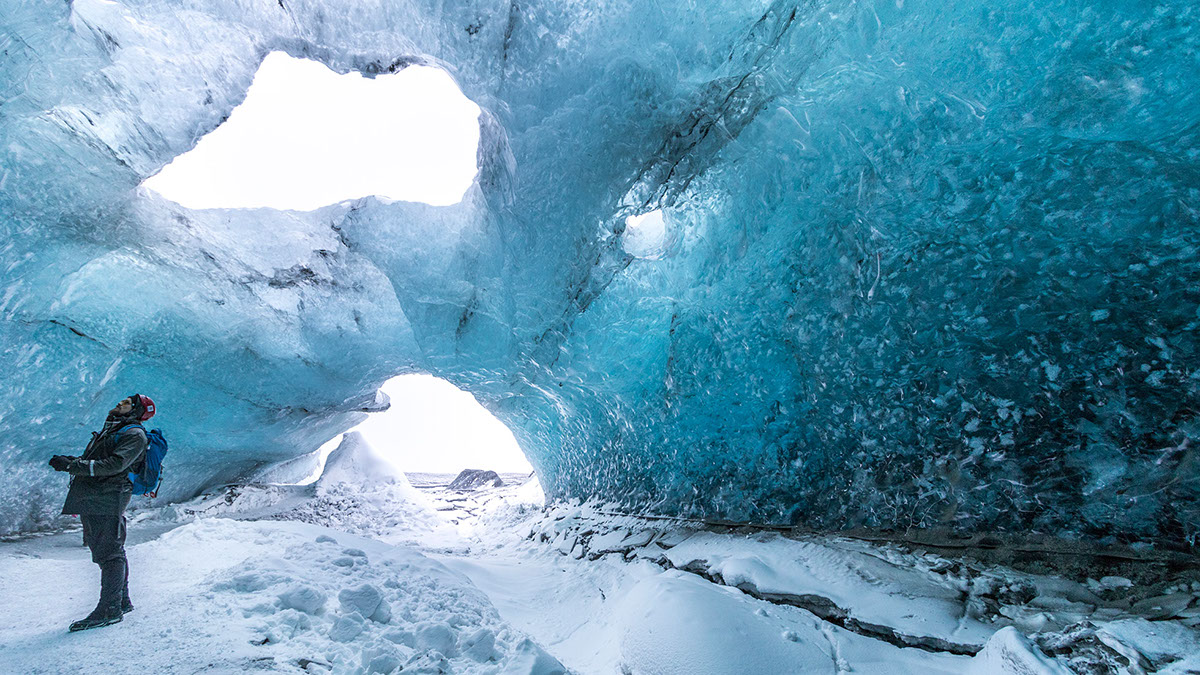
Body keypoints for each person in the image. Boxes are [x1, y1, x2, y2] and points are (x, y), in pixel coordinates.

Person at [49, 394, 156, 632]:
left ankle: (109, 610)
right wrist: (73, 461)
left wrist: (72, 466)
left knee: (108, 553)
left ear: (135, 410)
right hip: (100, 494)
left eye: (127, 402)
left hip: (108, 495)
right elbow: (103, 460)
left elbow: (115, 465)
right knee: (110, 549)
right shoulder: (118, 429)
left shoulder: (134, 434)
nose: (120, 402)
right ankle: (121, 601)